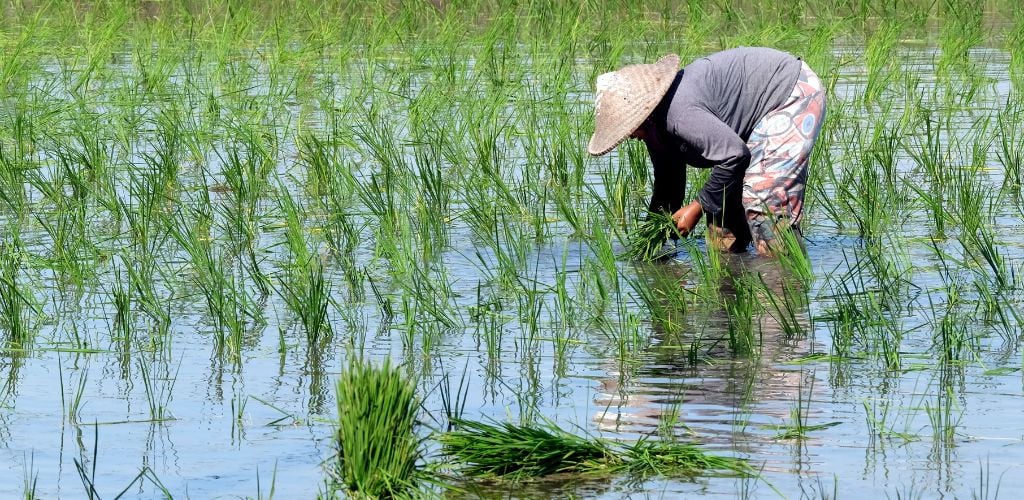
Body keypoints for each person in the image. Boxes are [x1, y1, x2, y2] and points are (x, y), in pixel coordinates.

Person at [587, 47, 826, 255]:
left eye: (629, 127)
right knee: (720, 216)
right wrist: (653, 241)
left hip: (790, 93)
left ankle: (783, 288)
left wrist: (697, 207)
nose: (629, 135)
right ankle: (730, 293)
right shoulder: (656, 127)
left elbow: (735, 155)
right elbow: (668, 186)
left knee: (763, 201)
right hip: (753, 121)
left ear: (644, 115)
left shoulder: (679, 114)